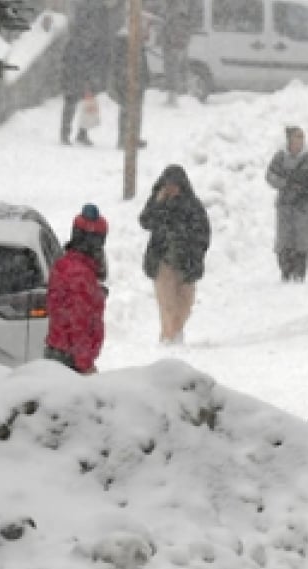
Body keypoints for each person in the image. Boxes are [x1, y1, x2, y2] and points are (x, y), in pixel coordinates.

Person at [140, 164, 211, 345]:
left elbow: (203, 232)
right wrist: (158, 203)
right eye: (168, 185)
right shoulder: (158, 202)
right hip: (162, 261)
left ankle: (174, 332)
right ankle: (169, 337)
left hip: (187, 263)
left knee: (185, 303)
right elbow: (145, 221)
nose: (171, 189)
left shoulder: (192, 205)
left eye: (174, 185)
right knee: (167, 303)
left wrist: (195, 250)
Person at [45, 204, 108, 373]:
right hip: (72, 361)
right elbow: (79, 322)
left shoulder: (64, 265)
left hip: (59, 351)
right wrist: (84, 364)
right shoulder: (80, 275)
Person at [266, 126, 308, 282]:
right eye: (297, 136)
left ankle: (300, 273)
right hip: (285, 204)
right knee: (284, 239)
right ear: (289, 139)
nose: (300, 140)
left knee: (302, 240)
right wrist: (284, 183)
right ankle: (286, 271)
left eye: (302, 137)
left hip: (303, 205)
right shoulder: (280, 157)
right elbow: (270, 175)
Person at [58, 0, 114, 146]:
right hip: (80, 68)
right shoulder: (86, 35)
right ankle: (72, 133)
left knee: (83, 100)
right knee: (76, 100)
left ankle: (76, 133)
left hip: (82, 68)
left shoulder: (83, 36)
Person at [109, 27, 150, 149]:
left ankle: (133, 137)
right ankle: (124, 139)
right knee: (127, 111)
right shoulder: (125, 45)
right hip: (128, 82)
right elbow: (120, 65)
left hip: (136, 81)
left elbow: (143, 62)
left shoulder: (135, 44)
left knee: (135, 112)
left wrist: (145, 77)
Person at [160, 0, 192, 106]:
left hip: (174, 46)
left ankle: (174, 99)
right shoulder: (170, 9)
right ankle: (172, 98)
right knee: (170, 71)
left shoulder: (178, 10)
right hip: (170, 45)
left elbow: (180, 29)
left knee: (173, 71)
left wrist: (178, 46)